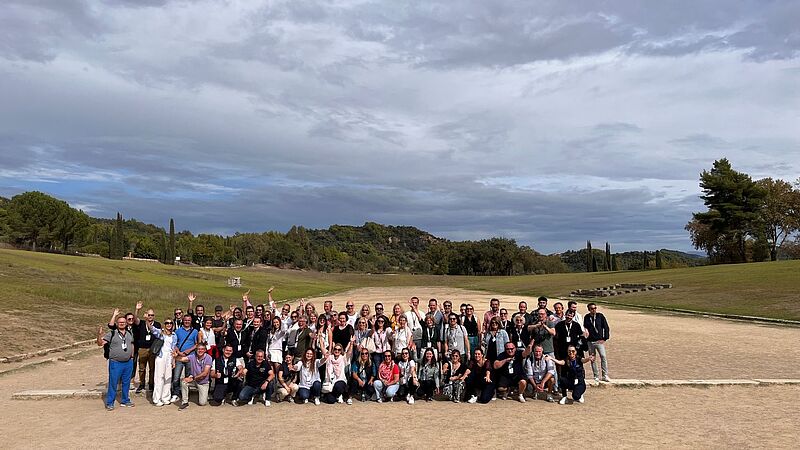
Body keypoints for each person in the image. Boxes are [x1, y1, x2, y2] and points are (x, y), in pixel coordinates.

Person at [97, 316, 135, 410]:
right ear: (117, 324)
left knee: (126, 383)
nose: (122, 323)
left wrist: (132, 356)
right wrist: (99, 335)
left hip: (128, 362)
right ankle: (110, 402)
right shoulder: (112, 333)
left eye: (123, 322)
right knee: (113, 383)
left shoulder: (129, 333)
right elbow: (100, 343)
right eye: (120, 322)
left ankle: (125, 400)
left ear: (126, 323)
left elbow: (132, 344)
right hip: (116, 363)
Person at [176, 342, 213, 409]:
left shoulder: (208, 358)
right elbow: (182, 359)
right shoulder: (193, 356)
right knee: (184, 382)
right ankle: (185, 402)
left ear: (205, 350)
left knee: (202, 403)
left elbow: (205, 373)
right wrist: (175, 356)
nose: (200, 350)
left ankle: (204, 394)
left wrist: (193, 378)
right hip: (194, 380)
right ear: (196, 350)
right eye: (198, 349)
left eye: (202, 349)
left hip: (203, 382)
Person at [171, 314, 198, 403]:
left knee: (188, 376)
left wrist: (189, 350)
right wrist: (179, 352)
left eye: (188, 320)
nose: (187, 322)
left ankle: (185, 393)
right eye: (185, 320)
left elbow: (197, 344)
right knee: (176, 376)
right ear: (183, 320)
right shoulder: (178, 331)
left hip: (190, 356)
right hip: (179, 356)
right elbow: (174, 343)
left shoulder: (194, 331)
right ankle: (175, 393)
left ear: (191, 321)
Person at [584, 303, 611, 382]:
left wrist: (605, 338)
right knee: (592, 359)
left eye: (595, 308)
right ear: (589, 309)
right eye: (592, 308)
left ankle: (604, 375)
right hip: (590, 341)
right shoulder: (586, 317)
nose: (594, 310)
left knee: (603, 356)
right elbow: (585, 328)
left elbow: (606, 327)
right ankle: (596, 375)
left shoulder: (600, 316)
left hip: (599, 341)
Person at [135, 307, 160, 393]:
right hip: (142, 348)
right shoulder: (142, 323)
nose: (150, 317)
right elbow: (135, 319)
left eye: (152, 315)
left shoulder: (157, 324)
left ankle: (151, 384)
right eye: (149, 315)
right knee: (142, 368)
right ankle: (142, 384)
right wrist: (137, 310)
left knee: (152, 368)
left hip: (153, 349)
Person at [151, 318, 175, 406]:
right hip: (161, 357)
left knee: (168, 377)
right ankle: (157, 398)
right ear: (164, 324)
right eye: (167, 323)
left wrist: (173, 360)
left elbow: (173, 348)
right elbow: (152, 329)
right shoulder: (160, 333)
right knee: (159, 377)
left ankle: (166, 397)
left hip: (169, 357)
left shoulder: (174, 335)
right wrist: (147, 320)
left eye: (170, 323)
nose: (169, 325)